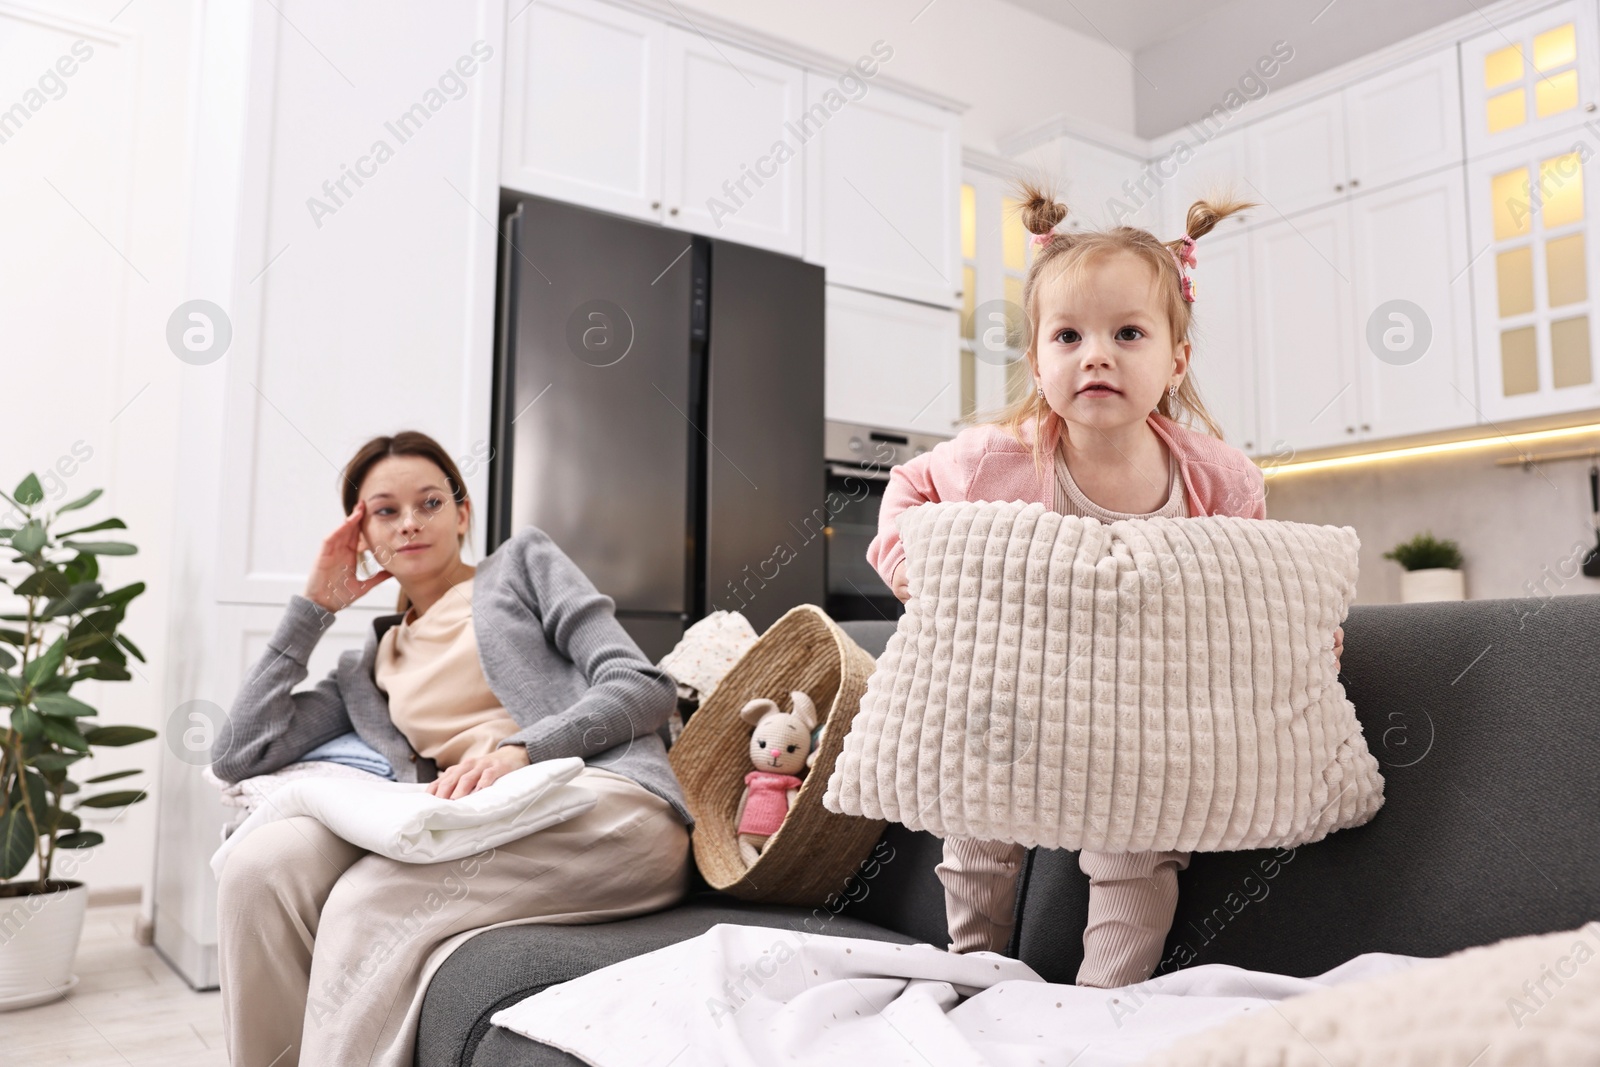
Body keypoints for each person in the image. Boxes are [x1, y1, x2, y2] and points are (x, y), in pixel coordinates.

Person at [866, 180, 1344, 988]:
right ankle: (973, 970)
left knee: (1141, 840)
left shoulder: (1219, 478)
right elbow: (908, 487)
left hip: (1144, 706)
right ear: (1037, 358)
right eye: (1068, 336)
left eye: (1127, 332)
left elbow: (1263, 588)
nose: (1096, 354)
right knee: (977, 819)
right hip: (1017, 693)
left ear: (1175, 359)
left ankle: (1106, 1001)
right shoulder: (998, 457)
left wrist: (1305, 638)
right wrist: (911, 567)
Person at [210, 431, 693, 1066]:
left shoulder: (522, 564)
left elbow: (644, 687)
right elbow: (239, 752)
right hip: (475, 822)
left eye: (430, 502)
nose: (409, 523)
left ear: (462, 514)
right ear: (362, 536)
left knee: (369, 898)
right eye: (385, 510)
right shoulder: (369, 666)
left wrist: (524, 749)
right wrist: (315, 609)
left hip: (599, 803)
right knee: (257, 869)